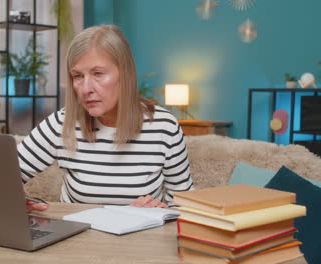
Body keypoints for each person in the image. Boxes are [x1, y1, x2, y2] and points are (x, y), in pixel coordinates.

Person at [17, 25, 193, 212]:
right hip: (75, 238)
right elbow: (0, 178)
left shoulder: (164, 126)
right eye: (78, 76)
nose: (85, 89)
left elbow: (184, 205)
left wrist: (160, 211)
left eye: (98, 74)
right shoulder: (62, 123)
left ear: (125, 74)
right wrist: (16, 199)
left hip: (140, 240)